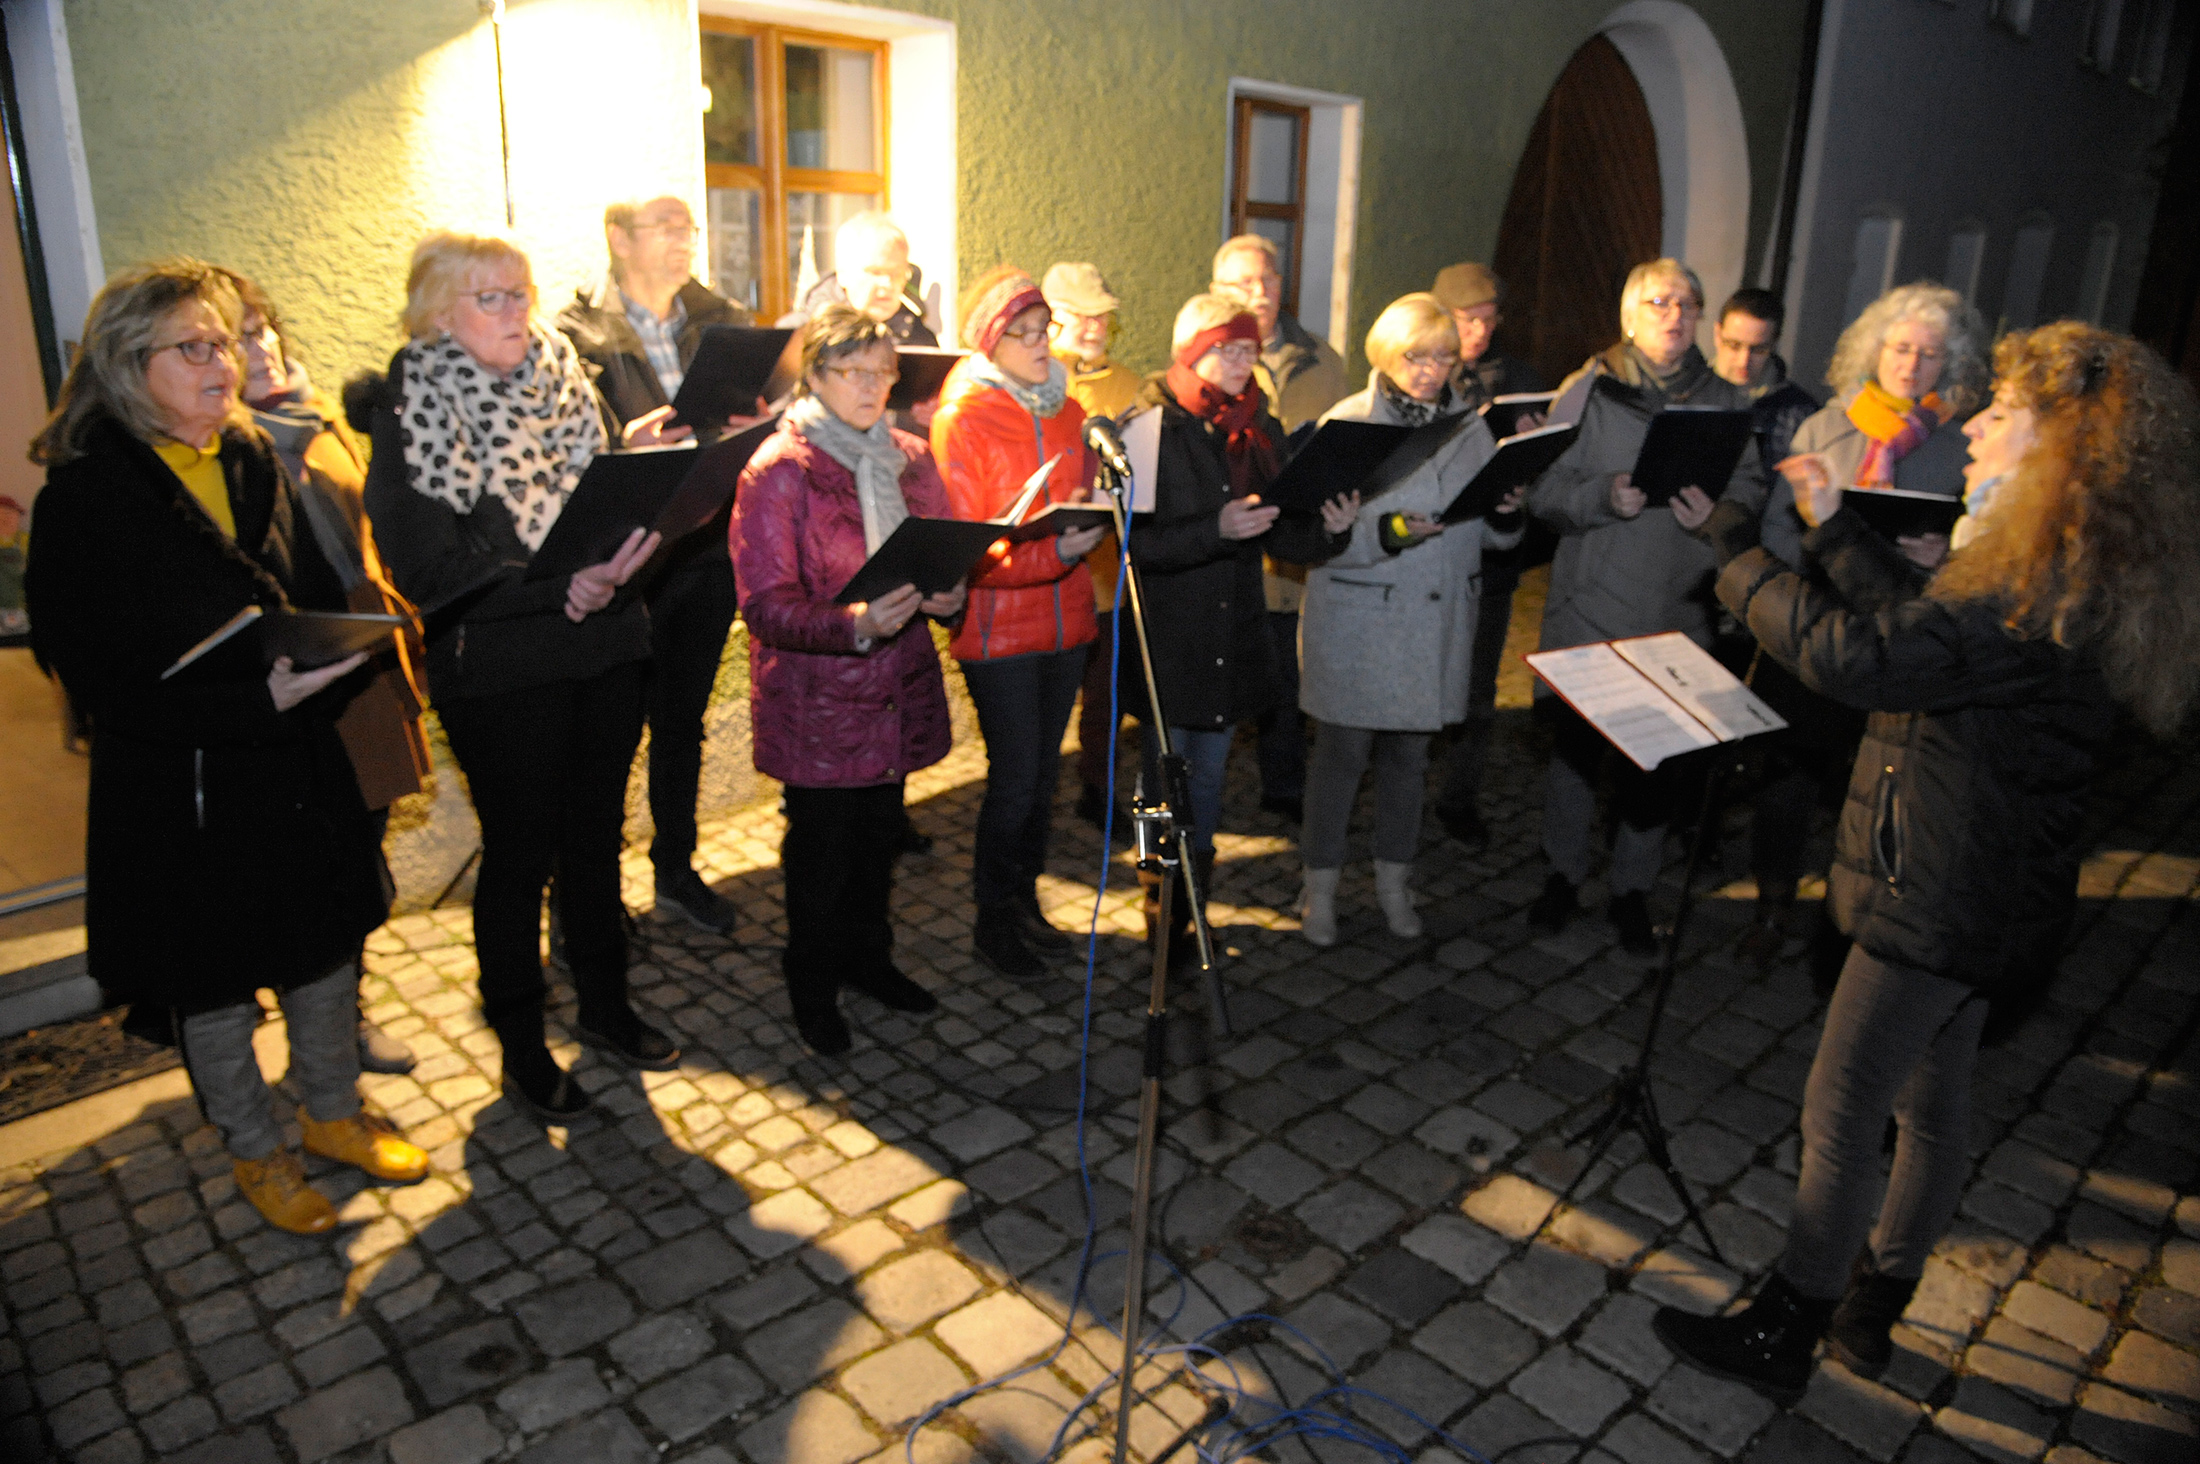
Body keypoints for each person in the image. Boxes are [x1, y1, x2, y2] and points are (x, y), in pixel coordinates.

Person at [1655, 322, 2200, 1401]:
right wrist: (1829, 526)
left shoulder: (2042, 579)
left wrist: (1739, 554)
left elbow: (1862, 661)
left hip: (1942, 883)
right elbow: (1924, 632)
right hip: (1991, 881)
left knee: (1843, 1105)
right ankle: (1872, 1305)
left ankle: (1790, 1323)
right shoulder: (2048, 551)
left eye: (2004, 413)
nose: (1980, 421)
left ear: (2059, 448)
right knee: (1934, 1100)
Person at [25, 259, 427, 1235]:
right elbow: (88, 670)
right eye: (196, 348)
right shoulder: (85, 498)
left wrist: (321, 656)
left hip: (294, 760)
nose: (226, 363)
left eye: (228, 342)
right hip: (182, 781)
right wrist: (248, 699)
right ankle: (257, 1149)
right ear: (129, 365)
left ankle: (332, 1113)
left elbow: (280, 596)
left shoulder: (248, 458)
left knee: (326, 946)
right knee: (213, 981)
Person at [364, 230, 681, 1123]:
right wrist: (552, 586)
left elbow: (599, 504)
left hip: (604, 649)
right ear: (437, 314)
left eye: (521, 293)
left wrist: (640, 457)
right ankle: (522, 1048)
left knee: (595, 840)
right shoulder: (411, 406)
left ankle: (608, 1008)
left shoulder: (564, 379)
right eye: (489, 298)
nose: (516, 313)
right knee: (519, 856)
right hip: (501, 670)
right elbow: (425, 569)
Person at [1722, 282, 1985, 964]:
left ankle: (1848, 927)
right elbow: (1778, 529)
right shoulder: (1827, 426)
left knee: (1866, 792)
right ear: (1875, 349)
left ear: (1949, 364)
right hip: (1816, 627)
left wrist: (1938, 558)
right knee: (1785, 782)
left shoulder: (1960, 448)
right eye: (1900, 348)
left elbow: (1977, 559)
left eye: (1930, 355)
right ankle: (1772, 907)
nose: (1911, 365)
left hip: (1901, 639)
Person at [731, 305, 963, 1055]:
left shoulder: (908, 455)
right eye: (853, 371)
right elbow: (765, 606)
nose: (872, 385)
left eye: (884, 371)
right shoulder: (779, 471)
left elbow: (938, 549)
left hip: (894, 689)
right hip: (819, 699)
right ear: (817, 376)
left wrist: (949, 592)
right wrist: (854, 623)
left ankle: (870, 961)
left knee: (877, 844)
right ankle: (813, 985)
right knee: (822, 856)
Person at [1526, 258, 1765, 954]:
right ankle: (1561, 877)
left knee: (1656, 767)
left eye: (1687, 304)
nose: (1674, 315)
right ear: (1629, 317)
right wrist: (1601, 496)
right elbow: (1540, 487)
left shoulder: (1724, 401)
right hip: (1591, 609)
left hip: (1678, 613)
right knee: (1575, 758)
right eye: (1658, 303)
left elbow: (1750, 492)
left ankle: (1633, 888)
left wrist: (1716, 513)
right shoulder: (1590, 389)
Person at [225, 266, 430, 1076]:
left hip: (362, 665)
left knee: (359, 851)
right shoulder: (223, 451)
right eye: (237, 337)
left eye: (264, 326)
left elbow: (368, 538)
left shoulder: (317, 425)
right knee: (304, 859)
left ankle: (347, 1010)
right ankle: (290, 1014)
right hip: (290, 676)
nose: (262, 346)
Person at [1127, 294, 1356, 946]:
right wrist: (1215, 529)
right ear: (1190, 351)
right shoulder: (1145, 428)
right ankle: (1157, 906)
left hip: (1232, 639)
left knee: (1208, 783)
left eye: (1248, 348)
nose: (1239, 360)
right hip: (1170, 643)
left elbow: (1288, 539)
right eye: (1224, 347)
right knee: (1158, 787)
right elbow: (1131, 548)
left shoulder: (1263, 429)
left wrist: (1330, 531)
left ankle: (1191, 896)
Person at [555, 195, 757, 936]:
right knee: (606, 733)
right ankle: (588, 896)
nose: (684, 241)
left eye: (688, 228)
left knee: (682, 722)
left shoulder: (718, 318)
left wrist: (749, 419)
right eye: (665, 228)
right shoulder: (576, 334)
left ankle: (675, 868)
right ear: (618, 238)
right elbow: (573, 458)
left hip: (704, 547)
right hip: (625, 562)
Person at [1298, 294, 1526, 946]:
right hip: (1360, 620)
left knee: (1409, 760)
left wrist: (1507, 511)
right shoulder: (1348, 424)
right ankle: (1320, 889)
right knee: (1341, 760)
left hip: (1435, 623)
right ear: (1385, 355)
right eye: (1416, 356)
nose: (1431, 371)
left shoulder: (1472, 427)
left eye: (1444, 357)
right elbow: (1317, 534)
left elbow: (1492, 535)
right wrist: (1389, 532)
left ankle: (1394, 882)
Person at [931, 266, 1107, 978]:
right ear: (991, 343)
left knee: (1042, 779)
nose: (1040, 346)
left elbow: (1078, 497)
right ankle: (991, 920)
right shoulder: (964, 417)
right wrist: (1052, 554)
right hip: (998, 628)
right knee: (1013, 779)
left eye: (1044, 332)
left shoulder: (1069, 410)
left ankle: (1026, 900)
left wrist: (1094, 516)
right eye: (1023, 335)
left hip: (1067, 622)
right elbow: (966, 547)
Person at [1212, 233, 1350, 825]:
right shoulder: (1211, 357)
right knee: (1222, 681)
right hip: (1231, 552)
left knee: (1288, 679)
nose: (1260, 292)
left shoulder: (1323, 361)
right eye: (1243, 283)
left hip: (1297, 551)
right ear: (1217, 293)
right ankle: (1200, 798)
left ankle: (1286, 787)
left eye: (1268, 279)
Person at [1427, 261, 1544, 848]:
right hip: (1430, 552)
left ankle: (1460, 796)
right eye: (1466, 320)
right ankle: (1402, 785)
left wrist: (1529, 442)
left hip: (1493, 558)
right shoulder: (1422, 368)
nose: (1478, 332)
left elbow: (1541, 471)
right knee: (1421, 673)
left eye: (1488, 320)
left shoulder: (1519, 379)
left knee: (1478, 687)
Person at [1043, 261, 1140, 836]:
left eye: (1101, 314)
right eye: (1081, 315)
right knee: (1049, 699)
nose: (1094, 325)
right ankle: (1037, 793)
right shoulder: (1039, 384)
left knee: (1105, 695)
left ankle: (1098, 789)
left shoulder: (1129, 383)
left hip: (1109, 569)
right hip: (1052, 569)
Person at [1711, 287, 1819, 472]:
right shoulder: (1686, 394)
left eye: (1758, 350)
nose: (1743, 361)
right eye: (1734, 345)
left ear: (1775, 345)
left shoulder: (1799, 412)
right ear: (1717, 335)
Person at [794, 211, 939, 345]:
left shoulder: (921, 341)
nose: (887, 283)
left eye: (897, 273)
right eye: (876, 272)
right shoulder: (797, 338)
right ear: (843, 273)